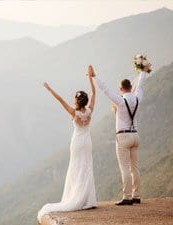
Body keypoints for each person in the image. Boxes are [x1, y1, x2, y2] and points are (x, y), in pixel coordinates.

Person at [37, 65, 97, 223]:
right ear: (85, 101)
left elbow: (60, 100)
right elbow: (94, 93)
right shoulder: (89, 111)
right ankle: (88, 200)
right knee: (86, 166)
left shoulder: (74, 113)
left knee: (76, 167)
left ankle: (75, 197)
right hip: (87, 142)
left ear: (77, 101)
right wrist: (90, 77)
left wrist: (49, 89)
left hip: (77, 143)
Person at [94, 64, 150, 205]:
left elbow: (105, 89)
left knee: (125, 168)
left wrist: (94, 76)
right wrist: (143, 71)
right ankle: (136, 195)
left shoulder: (120, 100)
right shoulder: (137, 98)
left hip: (123, 137)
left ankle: (127, 197)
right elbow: (141, 84)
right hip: (135, 136)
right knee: (134, 167)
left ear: (121, 89)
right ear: (131, 87)